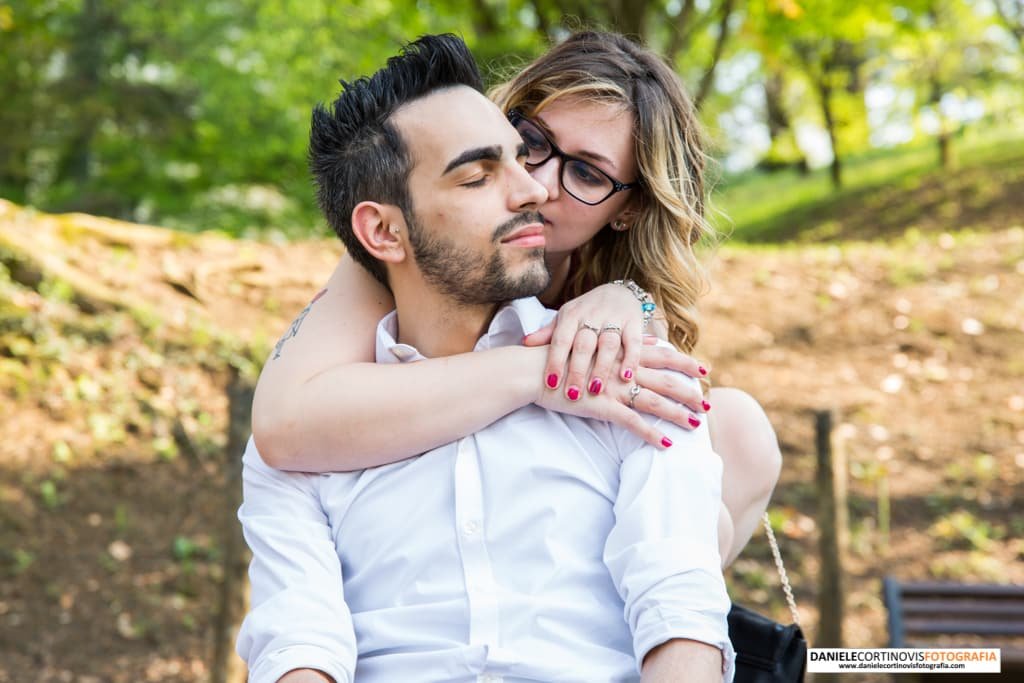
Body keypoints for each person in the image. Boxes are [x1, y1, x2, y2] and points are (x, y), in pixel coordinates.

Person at [236, 34, 733, 683]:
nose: (536, 187)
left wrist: (631, 304)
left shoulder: (632, 361)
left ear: (627, 207)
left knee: (737, 432)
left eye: (587, 173)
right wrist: (537, 372)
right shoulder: (371, 289)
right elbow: (283, 431)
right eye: (526, 146)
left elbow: (678, 605)